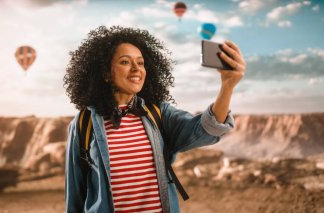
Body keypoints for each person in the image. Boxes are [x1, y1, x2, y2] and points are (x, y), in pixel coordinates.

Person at [63, 26, 246, 213]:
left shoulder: (159, 113)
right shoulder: (83, 124)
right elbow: (75, 196)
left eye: (141, 63)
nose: (136, 69)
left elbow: (206, 130)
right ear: (106, 74)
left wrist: (227, 87)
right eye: (125, 62)